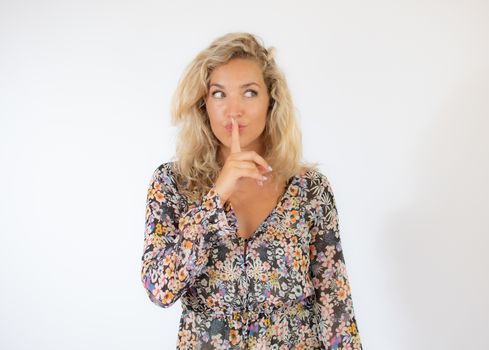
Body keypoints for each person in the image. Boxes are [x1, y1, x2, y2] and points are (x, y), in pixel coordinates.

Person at [140, 32, 363, 349]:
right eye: (219, 94)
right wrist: (216, 198)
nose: (234, 110)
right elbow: (159, 289)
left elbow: (335, 306)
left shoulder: (309, 189)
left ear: (271, 101)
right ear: (203, 103)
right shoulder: (173, 184)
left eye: (249, 93)